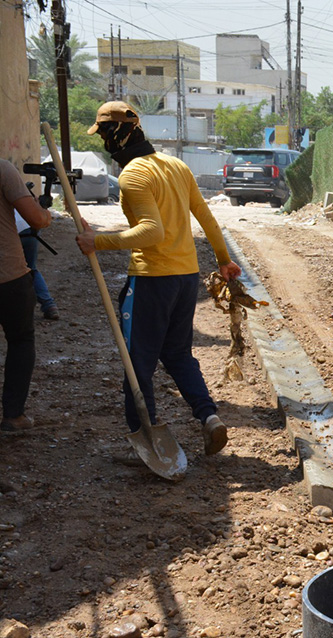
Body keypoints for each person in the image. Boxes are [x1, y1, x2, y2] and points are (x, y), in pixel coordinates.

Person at [75, 101, 241, 456]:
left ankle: (147, 438)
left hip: (152, 281)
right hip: (185, 278)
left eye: (104, 134)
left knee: (138, 364)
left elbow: (151, 232)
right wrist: (224, 260)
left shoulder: (135, 174)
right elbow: (208, 219)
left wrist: (97, 242)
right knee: (179, 355)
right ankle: (209, 417)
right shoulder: (175, 166)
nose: (104, 142)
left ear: (116, 135)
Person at [1, 158, 52, 432]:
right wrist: (45, 212)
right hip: (8, 277)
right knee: (20, 341)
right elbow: (35, 219)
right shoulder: (3, 169)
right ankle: (13, 415)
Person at [17, 211, 60, 320]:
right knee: (31, 269)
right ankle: (49, 305)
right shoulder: (18, 193)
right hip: (29, 228)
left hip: (12, 231)